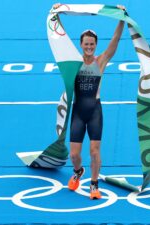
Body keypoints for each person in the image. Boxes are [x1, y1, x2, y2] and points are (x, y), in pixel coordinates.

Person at [52, 3, 126, 199]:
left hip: (94, 111)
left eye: (92, 44)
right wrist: (56, 16)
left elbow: (116, 40)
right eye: (86, 43)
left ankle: (94, 185)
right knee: (74, 156)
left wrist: (122, 18)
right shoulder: (74, 62)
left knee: (94, 151)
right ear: (81, 44)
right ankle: (78, 172)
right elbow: (60, 39)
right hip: (78, 111)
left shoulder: (100, 61)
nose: (89, 46)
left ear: (95, 45)